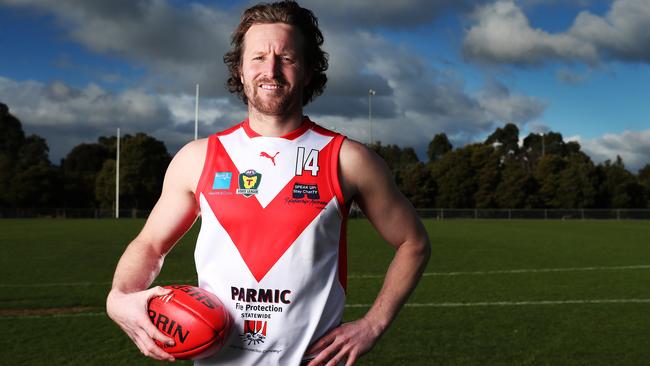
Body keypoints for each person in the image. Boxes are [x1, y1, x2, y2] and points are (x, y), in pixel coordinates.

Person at [106, 1, 431, 365]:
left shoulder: (347, 159)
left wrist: (373, 324)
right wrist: (119, 295)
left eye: (287, 58)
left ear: (308, 71)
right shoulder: (198, 158)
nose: (271, 70)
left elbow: (412, 242)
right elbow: (150, 244)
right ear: (240, 69)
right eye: (258, 57)